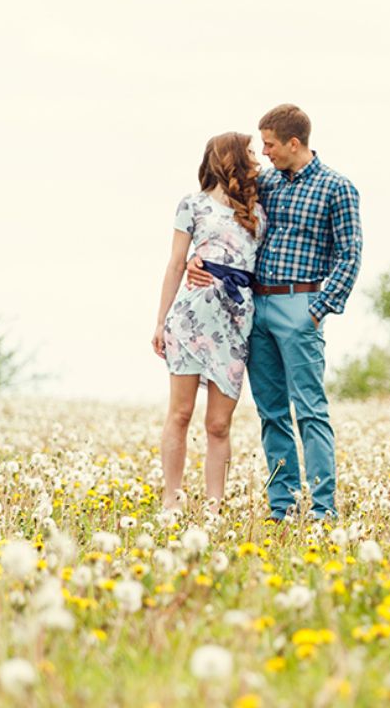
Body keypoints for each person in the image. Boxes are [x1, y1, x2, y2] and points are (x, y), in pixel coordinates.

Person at [187, 104, 362, 521]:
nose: (264, 153)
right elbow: (223, 220)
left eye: (269, 145)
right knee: (271, 413)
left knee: (310, 411)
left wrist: (317, 310)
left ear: (293, 143)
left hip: (300, 305)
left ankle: (323, 508)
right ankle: (283, 506)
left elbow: (350, 254)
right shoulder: (264, 184)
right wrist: (198, 258)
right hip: (255, 307)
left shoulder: (337, 188)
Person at [153, 132, 265, 515]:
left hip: (235, 322)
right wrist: (160, 321)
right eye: (250, 152)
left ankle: (214, 507)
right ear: (231, 158)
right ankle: (171, 500)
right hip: (191, 318)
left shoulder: (257, 210)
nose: (257, 158)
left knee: (219, 423)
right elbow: (175, 264)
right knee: (180, 413)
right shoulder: (193, 204)